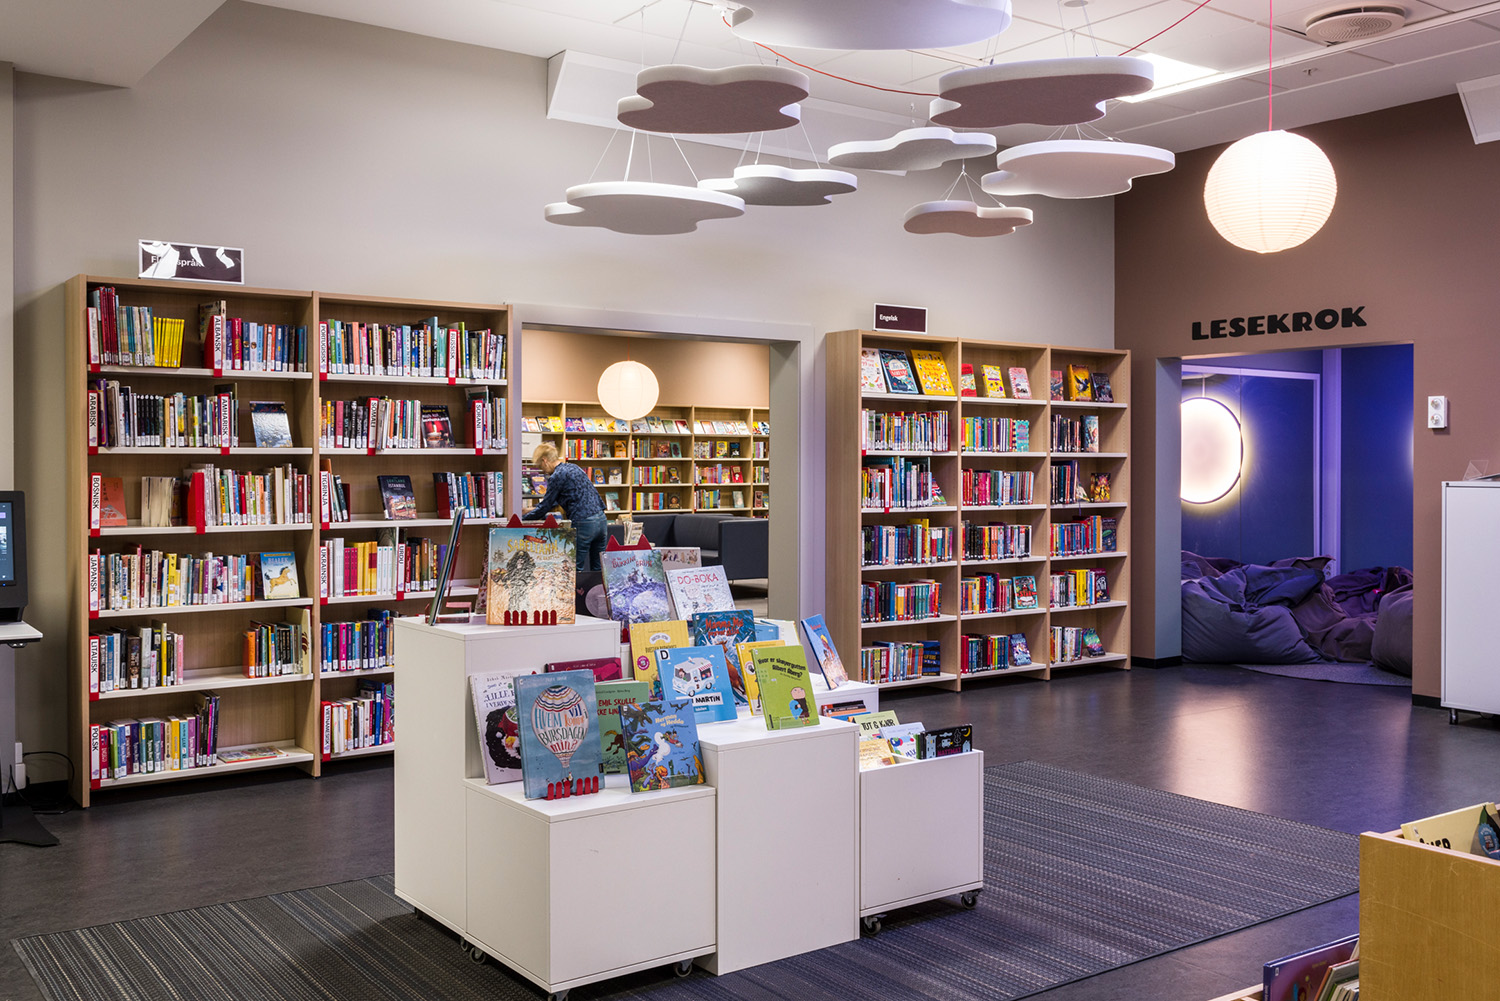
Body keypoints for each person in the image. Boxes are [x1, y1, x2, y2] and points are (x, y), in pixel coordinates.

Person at [524, 442, 607, 570]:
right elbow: (558, 500)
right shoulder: (574, 467)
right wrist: (532, 509)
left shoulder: (556, 476)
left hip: (583, 522)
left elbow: (546, 506)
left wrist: (522, 520)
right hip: (601, 520)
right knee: (599, 568)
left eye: (540, 466)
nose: (542, 470)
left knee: (574, 568)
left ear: (545, 460)